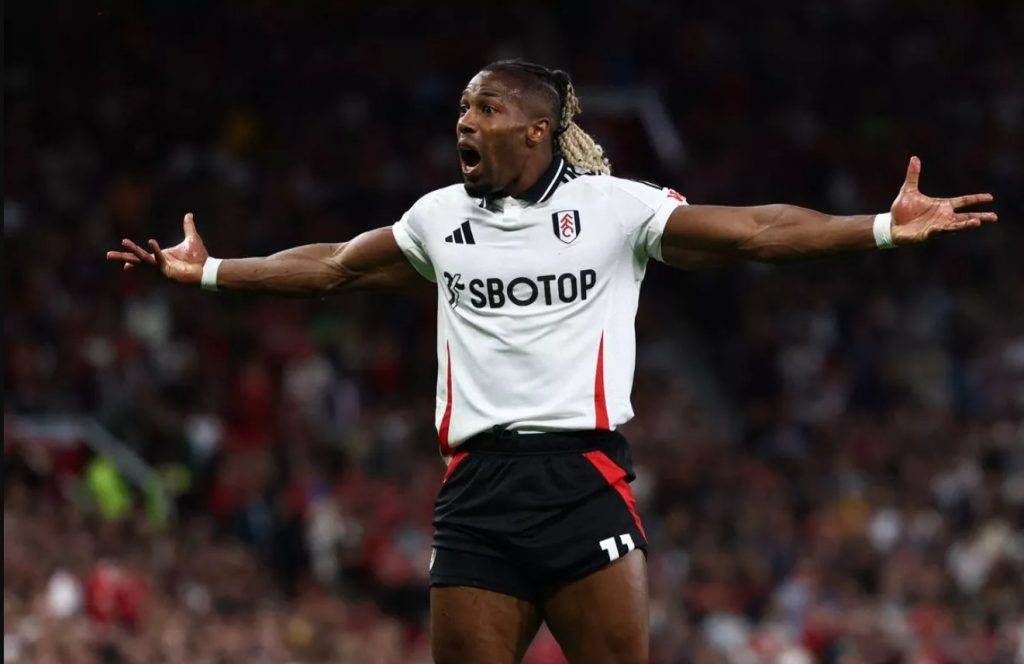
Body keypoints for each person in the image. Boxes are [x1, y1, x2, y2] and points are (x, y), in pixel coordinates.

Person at [107, 59, 996, 663]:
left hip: (581, 477)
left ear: (535, 132)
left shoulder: (615, 209)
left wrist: (880, 227)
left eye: (485, 108)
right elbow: (335, 266)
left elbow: (757, 231)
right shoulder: (436, 221)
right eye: (463, 107)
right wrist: (213, 271)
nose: (465, 120)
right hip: (476, 490)